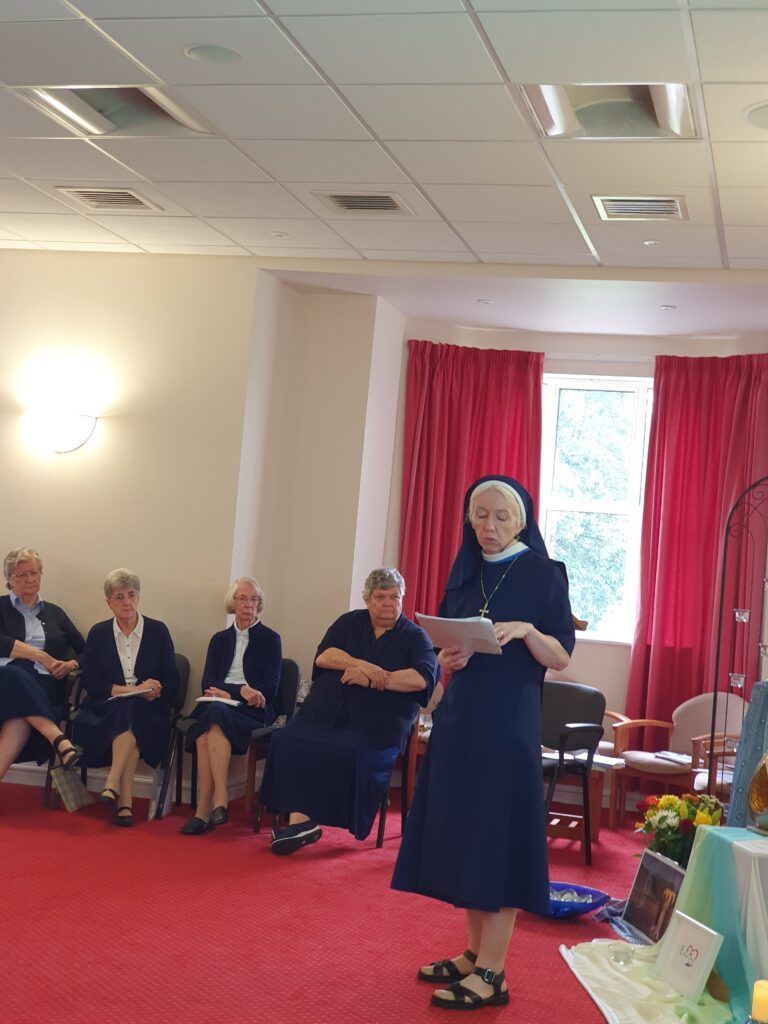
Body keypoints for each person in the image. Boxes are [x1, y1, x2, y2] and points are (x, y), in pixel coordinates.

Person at [392, 476, 575, 1010]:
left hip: (506, 728)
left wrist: (524, 630)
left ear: (521, 521)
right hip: (462, 720)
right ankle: (474, 954)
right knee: (468, 835)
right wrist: (448, 660)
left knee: (496, 838)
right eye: (479, 515)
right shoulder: (465, 571)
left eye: (499, 517)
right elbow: (453, 643)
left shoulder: (544, 573)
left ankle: (494, 973)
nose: (488, 527)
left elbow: (560, 656)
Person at [262, 567, 437, 855]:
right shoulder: (349, 622)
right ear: (367, 599)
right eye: (380, 597)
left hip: (377, 723)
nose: (388, 603)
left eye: (395, 597)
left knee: (351, 750)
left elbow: (421, 678)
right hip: (327, 713)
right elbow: (326, 655)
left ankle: (304, 821)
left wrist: (374, 678)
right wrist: (362, 665)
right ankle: (300, 820)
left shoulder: (415, 637)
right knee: (288, 739)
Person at [72, 568, 178, 827]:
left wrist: (157, 690)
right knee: (127, 710)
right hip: (105, 709)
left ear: (139, 597)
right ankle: (123, 800)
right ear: (108, 602)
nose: (126, 602)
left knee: (131, 714)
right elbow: (91, 682)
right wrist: (130, 690)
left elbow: (173, 681)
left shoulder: (158, 631)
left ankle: (114, 787)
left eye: (131, 595)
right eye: (119, 597)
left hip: (149, 710)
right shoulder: (98, 633)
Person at [179, 577, 281, 835]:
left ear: (260, 605)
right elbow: (207, 681)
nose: (249, 605)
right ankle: (220, 801)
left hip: (251, 709)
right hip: (218, 702)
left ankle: (205, 809)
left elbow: (270, 687)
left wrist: (237, 693)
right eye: (243, 598)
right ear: (232, 604)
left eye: (254, 599)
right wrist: (234, 691)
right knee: (214, 714)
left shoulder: (271, 639)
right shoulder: (219, 639)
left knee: (205, 734)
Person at [0, 547, 84, 780]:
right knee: (14, 672)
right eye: (22, 574)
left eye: (34, 573)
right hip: (3, 684)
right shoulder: (0, 607)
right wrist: (40, 656)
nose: (30, 579)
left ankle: (59, 740)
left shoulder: (55, 613)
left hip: (44, 688)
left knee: (19, 718)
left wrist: (70, 665)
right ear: (9, 579)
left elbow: (86, 651)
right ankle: (59, 739)